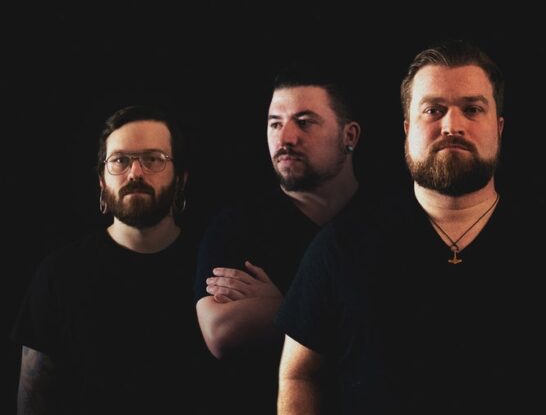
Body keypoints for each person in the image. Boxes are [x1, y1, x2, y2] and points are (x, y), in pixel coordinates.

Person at [275, 40, 546, 414]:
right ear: (407, 129)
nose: (452, 125)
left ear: (498, 128)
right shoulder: (342, 245)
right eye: (433, 110)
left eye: (472, 109)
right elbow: (300, 375)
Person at [12, 105, 206, 414]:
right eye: (120, 160)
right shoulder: (59, 275)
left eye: (153, 159)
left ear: (181, 179)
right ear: (102, 182)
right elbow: (33, 400)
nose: (135, 173)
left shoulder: (212, 267)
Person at [194, 64, 363, 414]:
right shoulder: (237, 226)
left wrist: (279, 305)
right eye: (275, 124)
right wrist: (346, 317)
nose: (285, 138)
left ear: (349, 136)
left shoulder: (382, 220)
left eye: (304, 122)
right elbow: (221, 331)